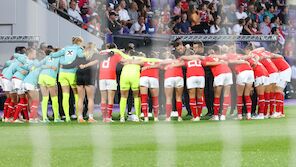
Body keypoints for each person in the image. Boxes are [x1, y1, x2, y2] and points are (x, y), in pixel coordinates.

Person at [62, 43, 99, 123]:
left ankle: (80, 117)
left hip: (79, 75)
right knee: (90, 98)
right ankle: (90, 117)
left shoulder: (80, 55)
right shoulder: (95, 54)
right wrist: (86, 66)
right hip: (89, 75)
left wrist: (63, 66)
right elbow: (96, 61)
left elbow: (72, 64)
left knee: (80, 98)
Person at [50, 37, 84, 122]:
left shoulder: (65, 48)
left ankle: (67, 117)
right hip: (71, 73)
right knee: (76, 95)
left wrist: (61, 58)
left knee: (65, 95)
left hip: (62, 74)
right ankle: (78, 115)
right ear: (79, 42)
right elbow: (82, 56)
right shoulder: (79, 48)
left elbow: (54, 55)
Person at [202, 46, 233, 121]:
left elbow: (205, 63)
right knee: (226, 95)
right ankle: (223, 116)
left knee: (217, 95)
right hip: (228, 73)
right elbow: (228, 60)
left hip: (220, 74)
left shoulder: (208, 57)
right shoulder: (222, 57)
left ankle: (216, 116)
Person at [38, 49, 63, 122]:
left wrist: (48, 66)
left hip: (42, 77)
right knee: (54, 98)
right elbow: (63, 65)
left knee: (45, 98)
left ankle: (45, 118)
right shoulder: (58, 58)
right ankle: (56, 118)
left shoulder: (46, 58)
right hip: (50, 77)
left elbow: (39, 65)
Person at [161, 48, 184, 122]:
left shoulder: (166, 62)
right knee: (179, 97)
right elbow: (183, 63)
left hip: (169, 77)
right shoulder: (178, 61)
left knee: (168, 98)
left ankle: (168, 117)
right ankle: (179, 117)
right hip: (179, 77)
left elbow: (161, 66)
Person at [180, 53, 205, 121]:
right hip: (201, 76)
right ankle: (199, 116)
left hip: (191, 76)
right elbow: (205, 62)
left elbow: (181, 63)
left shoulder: (186, 60)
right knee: (200, 97)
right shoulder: (199, 60)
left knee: (192, 97)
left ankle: (195, 116)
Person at [140, 52, 161, 122]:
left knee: (144, 98)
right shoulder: (158, 60)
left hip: (144, 76)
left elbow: (138, 62)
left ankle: (146, 117)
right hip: (153, 77)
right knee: (155, 98)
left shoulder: (145, 60)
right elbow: (161, 66)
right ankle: (156, 117)